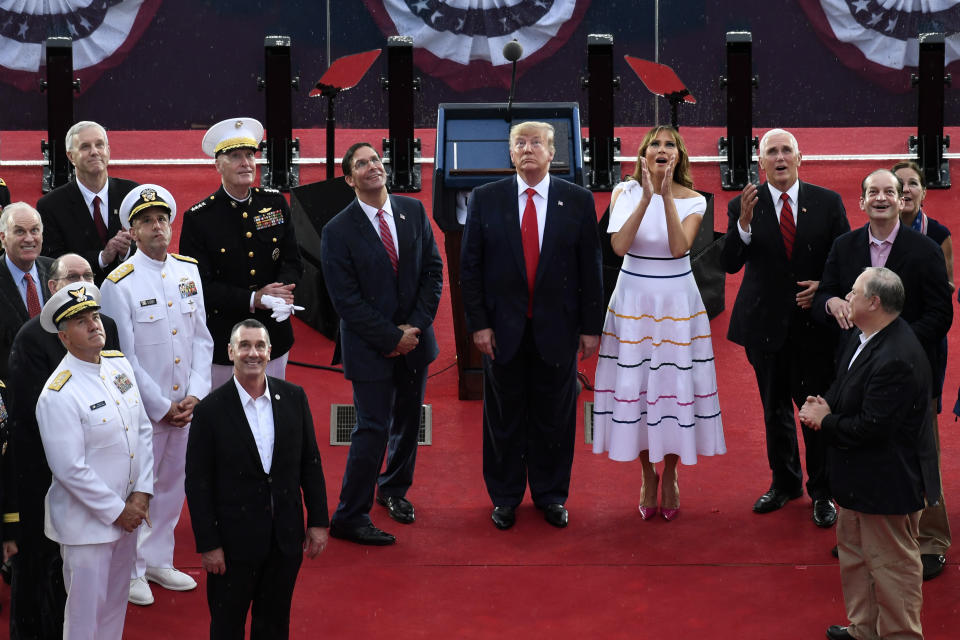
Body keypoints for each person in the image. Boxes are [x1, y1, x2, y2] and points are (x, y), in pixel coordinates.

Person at [460, 121, 604, 530]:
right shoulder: (486, 199)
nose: (527, 149)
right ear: (509, 153)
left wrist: (590, 326)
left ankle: (552, 495)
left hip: (556, 330)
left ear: (552, 152)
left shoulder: (576, 201)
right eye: (519, 143)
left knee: (554, 417)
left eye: (535, 142)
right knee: (503, 417)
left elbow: (590, 269)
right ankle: (504, 497)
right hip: (501, 331)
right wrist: (479, 325)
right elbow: (470, 268)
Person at [813, 168, 952, 581]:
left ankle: (930, 542)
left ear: (902, 199)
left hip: (909, 373)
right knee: (859, 450)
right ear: (861, 202)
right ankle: (860, 537)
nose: (881, 198)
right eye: (872, 192)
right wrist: (832, 302)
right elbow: (826, 292)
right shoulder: (845, 245)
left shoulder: (924, 250)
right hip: (854, 373)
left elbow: (940, 315)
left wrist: (892, 341)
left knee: (921, 455)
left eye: (889, 191)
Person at [592, 127, 725, 521]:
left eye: (670, 145)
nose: (662, 150)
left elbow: (678, 247)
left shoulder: (695, 200)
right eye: (656, 144)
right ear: (644, 154)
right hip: (632, 299)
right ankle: (647, 475)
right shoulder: (624, 192)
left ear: (680, 156)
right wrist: (646, 196)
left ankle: (670, 474)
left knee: (670, 388)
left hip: (676, 302)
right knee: (638, 390)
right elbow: (618, 247)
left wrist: (666, 196)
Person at [800, 267, 939, 640]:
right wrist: (826, 401)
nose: (847, 296)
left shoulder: (897, 355)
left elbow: (872, 428)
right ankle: (864, 630)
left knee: (893, 570)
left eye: (854, 292)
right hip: (860, 483)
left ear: (874, 302)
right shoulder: (864, 337)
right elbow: (847, 384)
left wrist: (824, 421)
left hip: (885, 487)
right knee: (857, 561)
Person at [721, 128, 849, 527]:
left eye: (785, 151)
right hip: (763, 326)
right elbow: (728, 263)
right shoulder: (743, 204)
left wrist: (825, 288)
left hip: (813, 328)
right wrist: (741, 224)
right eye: (771, 152)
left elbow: (845, 258)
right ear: (760, 162)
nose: (779, 158)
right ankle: (784, 483)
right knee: (773, 409)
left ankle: (823, 492)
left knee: (813, 410)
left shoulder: (827, 202)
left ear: (799, 157)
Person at [320, 142, 443, 545]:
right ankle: (349, 515)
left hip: (415, 342)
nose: (372, 166)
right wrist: (391, 338)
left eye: (375, 159)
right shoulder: (337, 230)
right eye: (361, 163)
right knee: (372, 429)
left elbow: (433, 271)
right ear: (349, 178)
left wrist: (415, 330)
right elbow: (346, 301)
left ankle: (393, 490)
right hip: (370, 348)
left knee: (408, 424)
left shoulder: (415, 211)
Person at [99, 185, 214, 606]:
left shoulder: (188, 271)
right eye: (146, 221)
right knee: (139, 487)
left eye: (162, 219)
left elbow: (202, 338)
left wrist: (196, 394)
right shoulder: (119, 283)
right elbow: (122, 355)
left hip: (186, 405)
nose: (157, 227)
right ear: (132, 229)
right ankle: (131, 570)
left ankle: (159, 559)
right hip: (147, 410)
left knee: (173, 484)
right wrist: (162, 406)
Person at [185, 320, 328, 639]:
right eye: (245, 346)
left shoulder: (294, 397)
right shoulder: (210, 410)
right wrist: (209, 544)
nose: (253, 353)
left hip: (284, 541)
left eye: (260, 346)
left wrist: (318, 521)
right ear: (230, 351)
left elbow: (310, 462)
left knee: (275, 624)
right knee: (227, 626)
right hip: (232, 547)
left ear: (269, 351)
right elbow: (197, 483)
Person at [4, 254, 120, 639]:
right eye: (73, 276)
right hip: (44, 477)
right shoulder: (33, 339)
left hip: (102, 477)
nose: (83, 280)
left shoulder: (109, 330)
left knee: (91, 589)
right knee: (39, 572)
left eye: (89, 275)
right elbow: (28, 421)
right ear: (52, 287)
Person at [36, 281, 154, 640]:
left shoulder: (118, 366)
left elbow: (143, 430)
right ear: (63, 337)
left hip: (127, 516)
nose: (94, 325)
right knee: (85, 618)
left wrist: (142, 493)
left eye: (95, 316)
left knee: (115, 607)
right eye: (81, 321)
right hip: (88, 526)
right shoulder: (59, 393)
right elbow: (69, 468)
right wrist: (119, 510)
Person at [179, 118, 303, 389]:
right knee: (226, 416)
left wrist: (281, 292)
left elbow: (292, 260)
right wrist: (253, 298)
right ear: (217, 165)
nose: (246, 162)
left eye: (249, 155)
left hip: (273, 332)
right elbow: (198, 285)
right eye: (235, 156)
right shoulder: (200, 218)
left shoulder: (274, 203)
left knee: (273, 407)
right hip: (225, 337)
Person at [36, 121, 138, 284]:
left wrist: (126, 252)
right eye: (85, 147)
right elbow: (52, 263)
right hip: (80, 297)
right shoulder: (51, 206)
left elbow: (152, 245)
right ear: (71, 156)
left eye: (99, 145)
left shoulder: (132, 193)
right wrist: (101, 258)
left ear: (108, 151)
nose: (94, 152)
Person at [1, 202, 53, 380]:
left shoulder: (57, 270)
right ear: (3, 237)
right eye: (20, 231)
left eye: (35, 230)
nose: (29, 238)